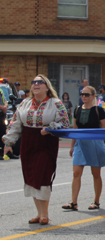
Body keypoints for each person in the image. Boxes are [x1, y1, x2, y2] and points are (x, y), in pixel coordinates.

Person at [2, 74, 70, 225]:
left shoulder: (56, 103)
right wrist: (8, 142)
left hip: (46, 142)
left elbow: (64, 123)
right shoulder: (24, 103)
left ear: (47, 86)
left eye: (40, 82)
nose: (36, 84)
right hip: (28, 143)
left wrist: (51, 128)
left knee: (43, 177)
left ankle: (45, 214)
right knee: (31, 177)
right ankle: (39, 214)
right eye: (34, 82)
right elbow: (15, 124)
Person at [63, 86, 105, 211]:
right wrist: (72, 146)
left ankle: (96, 201)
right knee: (76, 173)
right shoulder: (77, 110)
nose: (84, 96)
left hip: (95, 144)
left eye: (87, 94)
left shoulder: (99, 110)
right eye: (82, 94)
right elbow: (75, 130)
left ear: (93, 96)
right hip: (80, 144)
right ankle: (73, 202)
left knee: (96, 174)